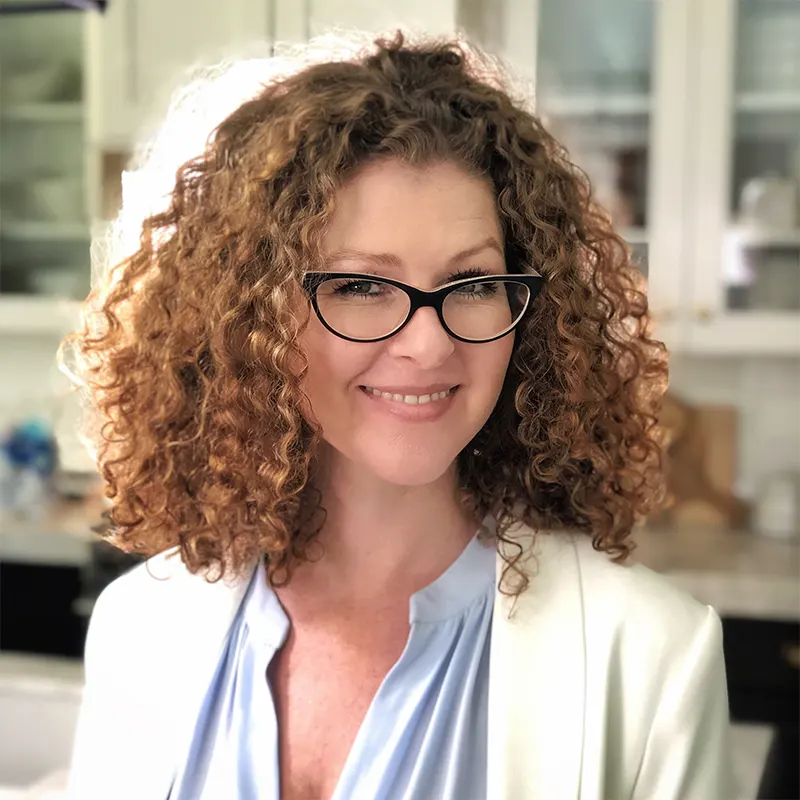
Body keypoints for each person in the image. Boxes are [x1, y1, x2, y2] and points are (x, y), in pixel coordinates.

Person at [64, 31, 735, 800]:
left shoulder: (655, 658)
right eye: (358, 286)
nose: (429, 342)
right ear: (251, 316)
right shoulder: (138, 626)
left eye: (473, 283)